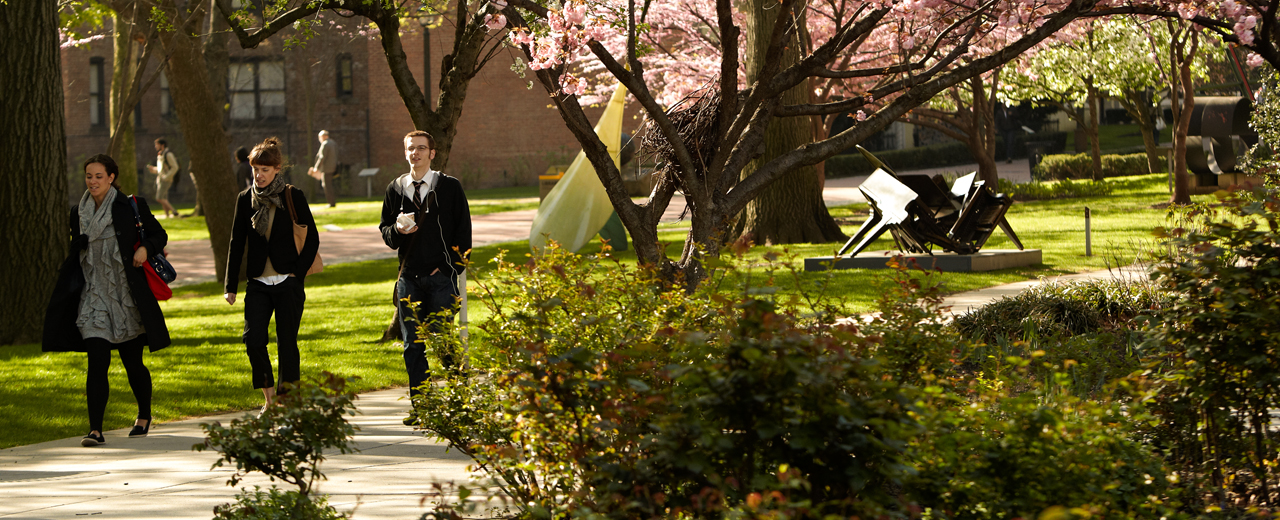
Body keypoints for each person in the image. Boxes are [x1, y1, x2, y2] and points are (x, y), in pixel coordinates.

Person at [43, 154, 170, 447]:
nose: (93, 181)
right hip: (93, 297)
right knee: (97, 361)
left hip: (126, 297)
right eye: (89, 176)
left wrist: (145, 250)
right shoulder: (78, 212)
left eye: (99, 176)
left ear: (111, 177)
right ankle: (96, 430)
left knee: (132, 363)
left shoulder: (129, 206)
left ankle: (144, 415)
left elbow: (158, 235)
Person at [379, 130, 471, 423]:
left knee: (443, 340)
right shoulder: (396, 189)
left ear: (432, 153)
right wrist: (397, 230)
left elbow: (464, 233)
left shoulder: (449, 187)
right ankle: (423, 407)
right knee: (412, 345)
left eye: (421, 148)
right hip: (409, 277)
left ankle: (461, 402)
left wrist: (449, 269)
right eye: (410, 149)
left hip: (440, 278)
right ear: (405, 153)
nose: (415, 153)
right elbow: (386, 234)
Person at [223, 137, 320, 412]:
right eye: (255, 169)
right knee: (253, 341)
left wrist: (296, 275)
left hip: (287, 282)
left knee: (287, 345)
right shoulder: (245, 200)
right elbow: (236, 243)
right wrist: (231, 285)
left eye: (265, 169)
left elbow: (312, 238)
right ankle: (268, 400)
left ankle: (287, 403)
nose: (259, 174)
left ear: (277, 169)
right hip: (257, 283)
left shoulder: (292, 196)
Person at [145, 138, 180, 218]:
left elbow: (175, 167)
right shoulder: (161, 154)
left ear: (162, 145)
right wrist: (153, 169)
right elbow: (161, 169)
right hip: (161, 179)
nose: (155, 146)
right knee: (164, 197)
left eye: (157, 144)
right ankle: (167, 215)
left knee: (159, 197)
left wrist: (166, 176)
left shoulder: (168, 154)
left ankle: (174, 211)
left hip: (166, 179)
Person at [309, 130, 338, 207]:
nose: (319, 139)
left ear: (324, 136)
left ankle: (331, 203)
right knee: (328, 185)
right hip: (332, 167)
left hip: (326, 168)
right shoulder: (333, 143)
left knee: (326, 185)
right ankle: (331, 202)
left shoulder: (325, 144)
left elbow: (322, 157)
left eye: (320, 137)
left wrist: (316, 168)